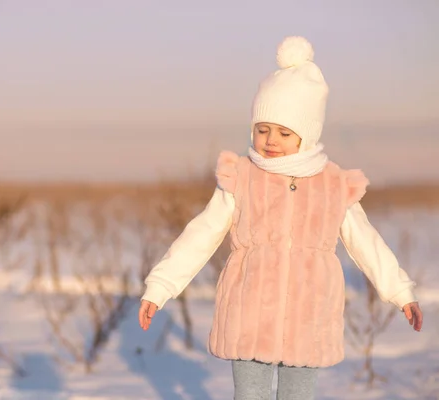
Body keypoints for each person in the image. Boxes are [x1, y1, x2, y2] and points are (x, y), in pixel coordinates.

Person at [138, 36, 423, 400]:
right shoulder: (241, 177)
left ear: (308, 133)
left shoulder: (332, 185)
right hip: (249, 312)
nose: (271, 140)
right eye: (262, 129)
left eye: (284, 132)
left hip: (309, 315)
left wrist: (400, 292)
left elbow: (365, 241)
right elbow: (202, 234)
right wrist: (161, 286)